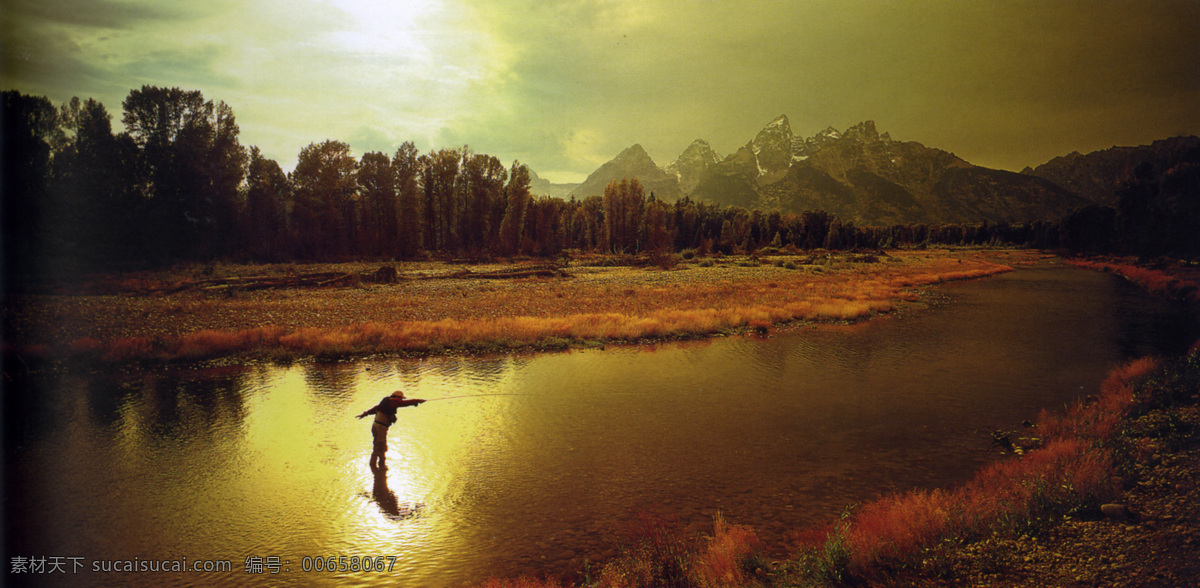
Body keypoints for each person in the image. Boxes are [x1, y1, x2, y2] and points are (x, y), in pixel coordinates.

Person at [356, 390, 425, 470]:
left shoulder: (386, 402)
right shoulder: (394, 401)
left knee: (376, 445)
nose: (401, 400)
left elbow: (375, 409)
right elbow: (405, 403)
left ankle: (373, 465)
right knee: (381, 446)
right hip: (381, 428)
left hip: (375, 426)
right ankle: (382, 466)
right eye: (401, 398)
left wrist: (364, 414)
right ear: (397, 397)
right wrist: (418, 401)